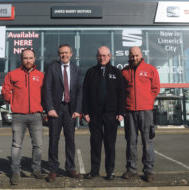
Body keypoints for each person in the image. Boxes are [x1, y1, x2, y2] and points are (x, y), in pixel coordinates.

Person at [2, 49, 45, 185]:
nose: (28, 60)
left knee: (38, 145)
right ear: (21, 59)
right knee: (16, 145)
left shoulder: (41, 75)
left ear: (35, 59)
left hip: (36, 116)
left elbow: (45, 94)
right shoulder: (13, 74)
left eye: (30, 58)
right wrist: (12, 101)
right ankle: (15, 172)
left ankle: (36, 170)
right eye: (25, 58)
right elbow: (5, 90)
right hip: (18, 116)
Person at [82, 46, 125, 180]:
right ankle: (94, 171)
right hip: (94, 114)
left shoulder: (116, 73)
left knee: (110, 144)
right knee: (95, 143)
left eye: (105, 55)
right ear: (97, 57)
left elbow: (121, 94)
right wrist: (85, 112)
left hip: (111, 114)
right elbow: (85, 94)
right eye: (100, 55)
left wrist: (120, 112)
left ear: (110, 56)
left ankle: (110, 171)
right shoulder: (90, 72)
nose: (102, 58)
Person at [43, 44, 82, 182]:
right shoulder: (52, 68)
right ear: (59, 54)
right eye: (61, 53)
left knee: (70, 140)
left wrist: (78, 109)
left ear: (71, 54)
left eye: (66, 52)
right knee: (53, 140)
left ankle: (70, 168)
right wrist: (49, 108)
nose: (64, 55)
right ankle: (53, 170)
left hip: (70, 109)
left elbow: (79, 91)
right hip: (55, 110)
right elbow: (46, 89)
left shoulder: (76, 69)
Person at [122, 46, 160, 182]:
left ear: (141, 55)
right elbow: (121, 91)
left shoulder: (150, 70)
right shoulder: (124, 72)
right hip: (130, 111)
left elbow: (156, 88)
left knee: (147, 140)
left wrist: (148, 101)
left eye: (136, 55)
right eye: (132, 56)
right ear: (129, 56)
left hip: (146, 111)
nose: (134, 58)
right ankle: (131, 169)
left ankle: (149, 170)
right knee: (131, 141)